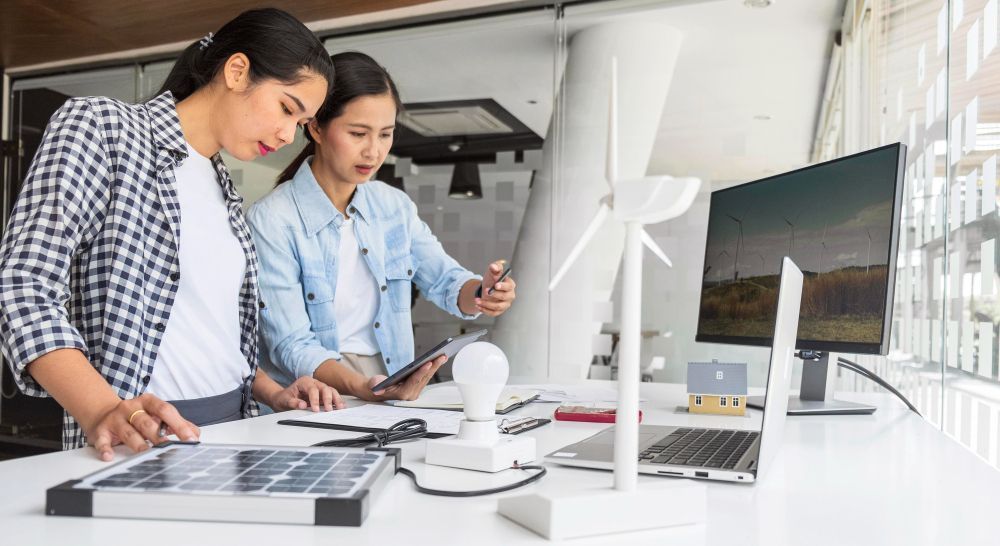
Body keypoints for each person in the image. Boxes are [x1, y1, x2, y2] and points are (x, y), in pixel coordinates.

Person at [0, 8, 339, 461]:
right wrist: (102, 410)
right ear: (237, 71)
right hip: (139, 436)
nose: (286, 135)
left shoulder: (226, 190)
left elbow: (205, 332)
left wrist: (274, 393)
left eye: (299, 125)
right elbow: (23, 284)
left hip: (237, 430)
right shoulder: (103, 129)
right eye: (285, 108)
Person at [249, 51, 517, 403]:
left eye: (385, 134)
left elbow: (444, 280)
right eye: (358, 133)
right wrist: (361, 385)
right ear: (315, 127)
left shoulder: (393, 206)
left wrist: (483, 292)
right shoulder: (272, 220)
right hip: (317, 395)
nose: (373, 152)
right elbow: (291, 344)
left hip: (392, 382)